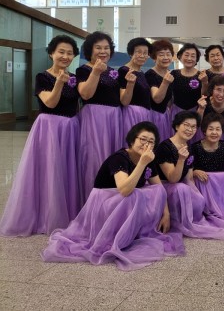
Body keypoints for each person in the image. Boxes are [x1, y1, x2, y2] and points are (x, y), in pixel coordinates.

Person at [42, 122, 184, 271]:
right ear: (132, 140)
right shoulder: (120, 158)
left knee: (153, 190)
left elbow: (159, 188)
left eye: (151, 141)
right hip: (104, 202)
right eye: (143, 139)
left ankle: (135, 233)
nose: (146, 144)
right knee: (135, 194)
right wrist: (142, 163)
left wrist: (166, 213)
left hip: (123, 201)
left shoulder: (149, 159)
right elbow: (124, 190)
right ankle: (118, 238)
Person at [0, 35, 81, 236]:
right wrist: (59, 83)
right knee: (49, 170)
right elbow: (50, 103)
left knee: (66, 170)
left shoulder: (74, 78)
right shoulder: (42, 77)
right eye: (61, 52)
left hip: (71, 127)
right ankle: (48, 215)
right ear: (51, 53)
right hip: (50, 127)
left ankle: (67, 212)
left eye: (69, 53)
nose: (65, 56)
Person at [154, 111, 224, 240]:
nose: (190, 129)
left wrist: (197, 196)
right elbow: (172, 179)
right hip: (165, 188)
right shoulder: (165, 147)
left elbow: (189, 178)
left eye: (193, 127)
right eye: (186, 125)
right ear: (177, 126)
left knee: (199, 199)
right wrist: (181, 159)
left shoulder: (188, 147)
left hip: (181, 186)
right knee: (181, 188)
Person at [76, 31, 123, 200]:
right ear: (90, 50)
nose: (103, 51)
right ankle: (94, 200)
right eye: (98, 48)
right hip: (95, 118)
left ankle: (112, 200)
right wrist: (95, 72)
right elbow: (85, 94)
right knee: (95, 158)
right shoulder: (84, 70)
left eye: (106, 48)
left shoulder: (113, 71)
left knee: (113, 157)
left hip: (114, 118)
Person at [119, 37, 153, 143]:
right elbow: (124, 100)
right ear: (131, 53)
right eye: (138, 52)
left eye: (145, 53)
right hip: (131, 114)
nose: (142, 56)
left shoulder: (142, 73)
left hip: (144, 114)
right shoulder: (124, 71)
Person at [145, 39, 174, 141]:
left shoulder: (170, 73)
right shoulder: (150, 74)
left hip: (165, 115)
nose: (165, 57)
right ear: (154, 57)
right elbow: (157, 99)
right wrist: (165, 82)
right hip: (154, 115)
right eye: (161, 54)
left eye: (168, 54)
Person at [170, 43, 203, 135]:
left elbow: (204, 96)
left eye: (193, 56)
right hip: (177, 112)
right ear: (180, 56)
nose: (189, 58)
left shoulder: (201, 75)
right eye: (186, 55)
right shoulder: (173, 74)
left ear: (196, 59)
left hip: (195, 112)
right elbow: (169, 96)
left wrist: (204, 82)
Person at [197, 75, 224, 144]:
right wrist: (201, 109)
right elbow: (197, 125)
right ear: (212, 90)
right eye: (218, 90)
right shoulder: (204, 103)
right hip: (203, 137)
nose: (221, 94)